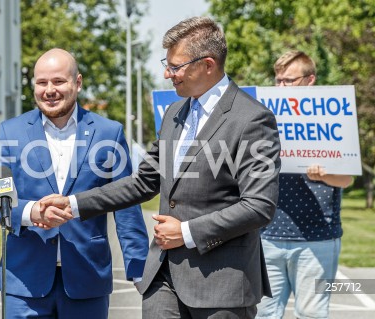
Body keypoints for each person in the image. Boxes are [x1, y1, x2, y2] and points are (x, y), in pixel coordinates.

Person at [37, 17, 281, 319]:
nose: (167, 74)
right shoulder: (175, 113)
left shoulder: (253, 119)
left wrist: (188, 232)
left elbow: (259, 206)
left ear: (207, 64)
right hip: (163, 277)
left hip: (222, 284)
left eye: (175, 66)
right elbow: (143, 183)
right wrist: (72, 204)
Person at [0, 48, 149, 319]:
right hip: (24, 283)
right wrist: (31, 212)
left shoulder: (108, 132)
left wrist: (139, 268)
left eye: (58, 81)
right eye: (41, 82)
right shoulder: (10, 132)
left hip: (87, 278)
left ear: (77, 83)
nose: (49, 90)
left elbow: (126, 202)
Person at [256, 50, 353, 319]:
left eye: (288, 80)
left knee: (312, 315)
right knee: (263, 315)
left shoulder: (334, 118)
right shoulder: (264, 119)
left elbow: (346, 178)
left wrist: (323, 175)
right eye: (277, 80)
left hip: (318, 239)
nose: (281, 86)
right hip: (268, 236)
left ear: (310, 80)